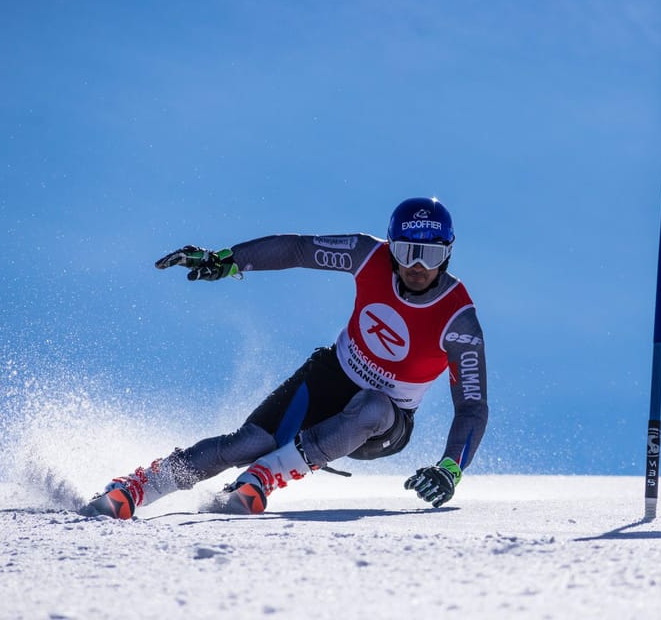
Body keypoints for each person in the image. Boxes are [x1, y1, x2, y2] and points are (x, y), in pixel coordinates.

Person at [80, 197, 488, 519]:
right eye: (405, 251)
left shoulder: (459, 320)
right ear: (389, 247)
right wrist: (228, 260)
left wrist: (451, 467)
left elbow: (471, 407)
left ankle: (266, 477)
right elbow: (298, 249)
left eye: (430, 256)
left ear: (448, 255)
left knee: (372, 405)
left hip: (386, 422)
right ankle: (138, 487)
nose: (416, 266)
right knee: (244, 444)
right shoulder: (367, 255)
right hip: (333, 375)